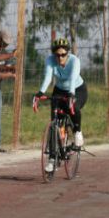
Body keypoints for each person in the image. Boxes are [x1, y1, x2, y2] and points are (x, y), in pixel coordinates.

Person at [34, 37, 88, 172]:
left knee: (73, 107)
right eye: (57, 55)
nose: (60, 58)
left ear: (67, 53)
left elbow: (72, 78)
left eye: (63, 55)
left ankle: (77, 132)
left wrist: (71, 94)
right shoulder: (50, 60)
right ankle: (52, 159)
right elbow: (48, 77)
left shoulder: (74, 61)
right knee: (54, 124)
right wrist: (40, 93)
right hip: (59, 90)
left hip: (77, 89)